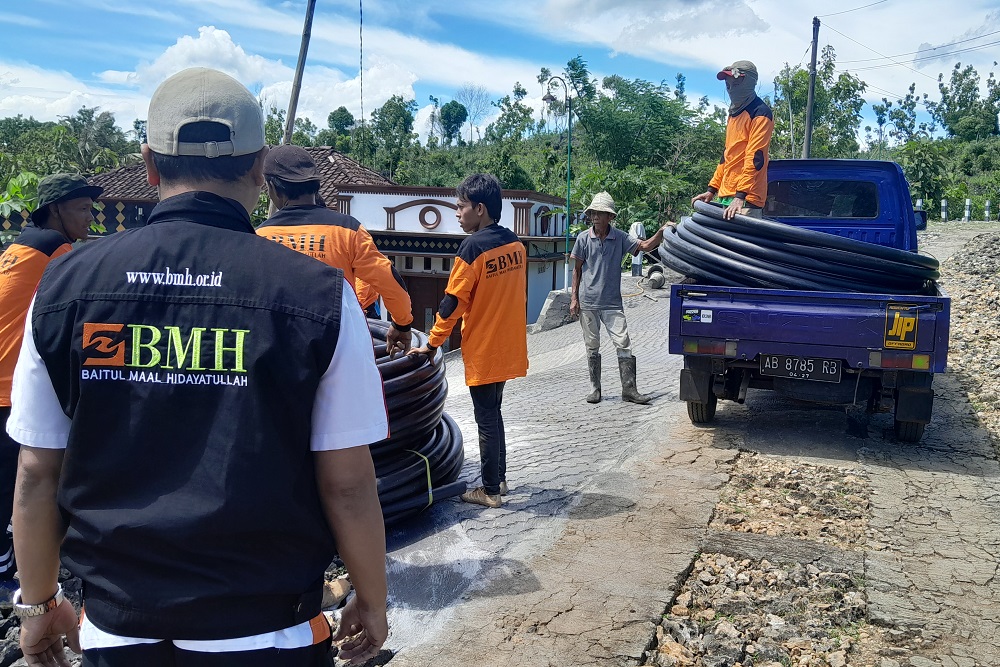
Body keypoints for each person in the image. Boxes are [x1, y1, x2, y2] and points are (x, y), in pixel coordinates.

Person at [9, 67, 388, 667]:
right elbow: (347, 481)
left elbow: (36, 475)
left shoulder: (64, 285)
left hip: (116, 629)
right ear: (260, 167)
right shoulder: (319, 295)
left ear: (150, 165)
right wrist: (372, 597)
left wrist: (37, 607)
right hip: (269, 631)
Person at [0, 173, 102, 600]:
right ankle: (10, 573)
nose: (91, 217)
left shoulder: (19, 247)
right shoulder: (56, 251)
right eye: (82, 208)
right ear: (56, 210)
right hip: (8, 385)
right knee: (17, 481)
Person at [408, 174, 527, 509]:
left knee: (486, 419)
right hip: (508, 345)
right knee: (495, 412)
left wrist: (431, 344)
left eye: (460, 207)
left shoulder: (472, 248)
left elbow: (451, 302)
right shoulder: (515, 244)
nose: (457, 213)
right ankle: (499, 480)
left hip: (485, 348)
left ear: (480, 208)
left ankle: (489, 491)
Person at [257, 144, 413, 355]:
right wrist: (402, 325)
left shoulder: (258, 236)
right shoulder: (347, 230)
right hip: (338, 350)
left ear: (272, 187)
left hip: (279, 351)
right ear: (316, 185)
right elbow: (389, 279)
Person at [569, 191, 667, 405]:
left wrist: (660, 232)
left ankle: (629, 390)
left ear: (610, 217)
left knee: (623, 343)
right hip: (588, 302)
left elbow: (645, 246)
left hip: (612, 302)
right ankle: (595, 389)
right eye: (593, 213)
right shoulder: (583, 238)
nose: (596, 217)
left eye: (600, 213)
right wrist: (574, 299)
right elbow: (576, 270)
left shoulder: (620, 237)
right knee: (592, 345)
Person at [691, 60, 774, 220]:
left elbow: (756, 158)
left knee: (741, 244)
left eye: (735, 85)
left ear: (749, 83)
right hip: (728, 195)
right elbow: (727, 156)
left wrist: (740, 196)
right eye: (728, 86)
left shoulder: (760, 113)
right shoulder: (734, 114)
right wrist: (712, 189)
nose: (730, 90)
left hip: (747, 198)